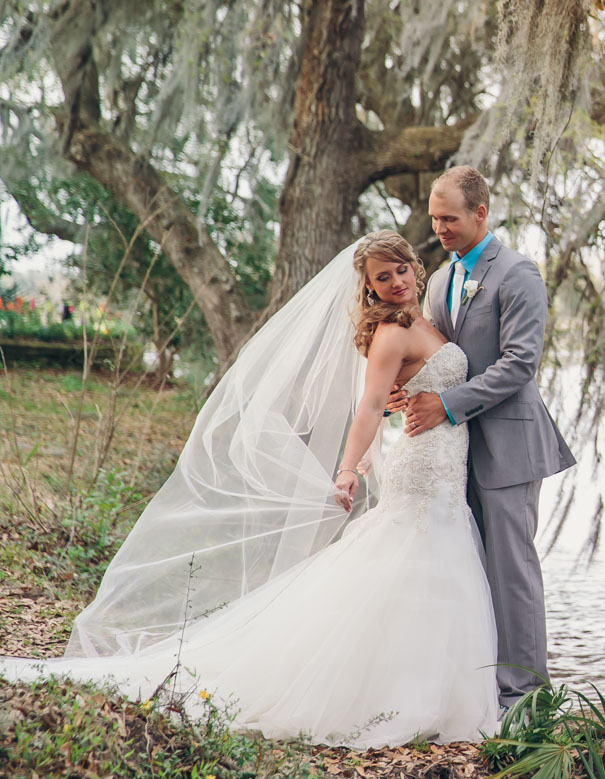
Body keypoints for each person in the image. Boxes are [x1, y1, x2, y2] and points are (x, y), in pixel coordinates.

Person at [1, 232, 497, 747]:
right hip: (421, 468)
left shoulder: (427, 321)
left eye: (400, 271)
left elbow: (416, 387)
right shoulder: (392, 335)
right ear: (369, 288)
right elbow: (370, 405)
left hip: (446, 467)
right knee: (413, 564)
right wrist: (348, 467)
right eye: (382, 278)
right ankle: (403, 700)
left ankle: (428, 693)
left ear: (415, 268)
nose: (396, 283)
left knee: (429, 571)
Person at [388, 165, 575, 713]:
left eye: (449, 218)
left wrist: (445, 404)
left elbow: (520, 364)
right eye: (434, 219)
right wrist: (408, 393)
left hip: (510, 448)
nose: (440, 228)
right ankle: (475, 694)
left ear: (480, 214)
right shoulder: (442, 281)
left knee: (510, 571)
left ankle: (526, 701)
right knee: (464, 569)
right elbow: (434, 355)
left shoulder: (519, 274)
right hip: (453, 453)